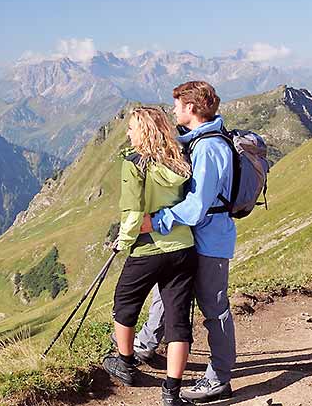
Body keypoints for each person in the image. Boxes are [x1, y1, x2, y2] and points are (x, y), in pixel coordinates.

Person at [138, 80, 237, 402]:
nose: (175, 110)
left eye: (178, 106)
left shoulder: (210, 148)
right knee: (169, 292)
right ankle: (147, 343)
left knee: (214, 307)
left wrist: (159, 220)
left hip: (210, 240)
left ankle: (219, 378)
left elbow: (197, 207)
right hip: (196, 237)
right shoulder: (197, 140)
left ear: (191, 108)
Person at [101, 106, 198, 406]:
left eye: (131, 128)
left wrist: (123, 242)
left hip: (147, 248)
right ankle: (172, 392)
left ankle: (125, 363)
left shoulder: (134, 165)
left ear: (143, 131)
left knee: (124, 303)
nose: (127, 133)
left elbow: (132, 211)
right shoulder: (181, 161)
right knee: (178, 319)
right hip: (183, 248)